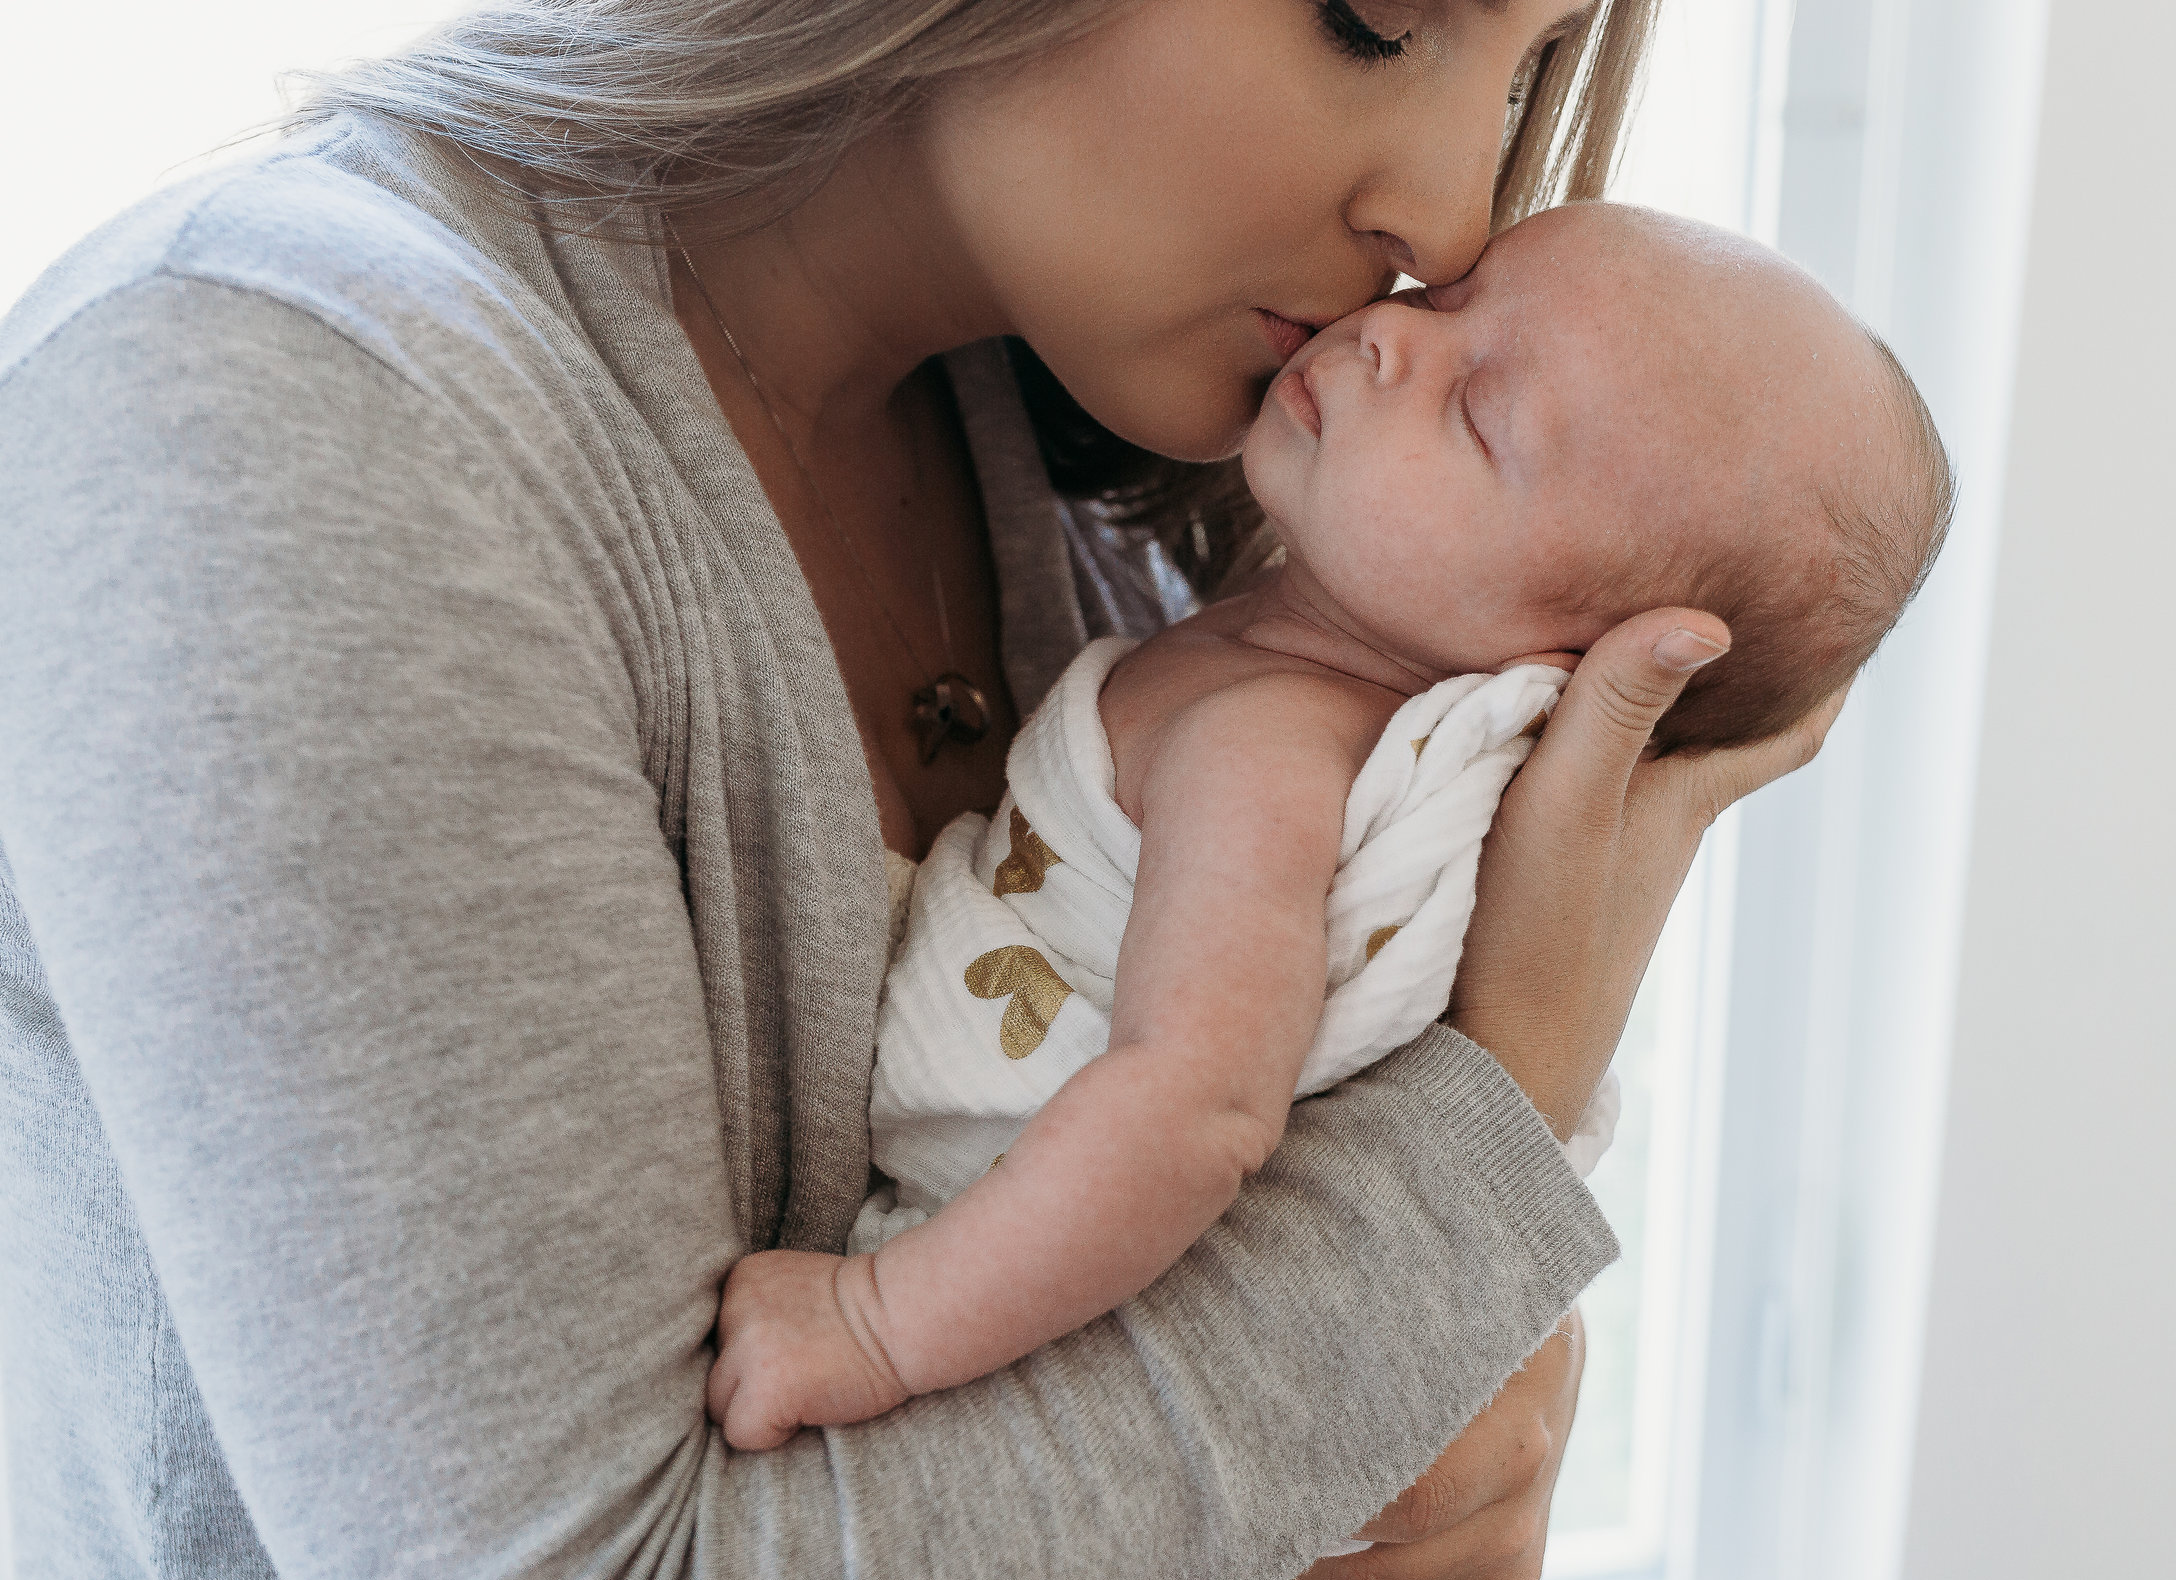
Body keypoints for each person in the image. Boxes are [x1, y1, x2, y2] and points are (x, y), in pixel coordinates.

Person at [0, 3, 1842, 1580]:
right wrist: (1485, 1139)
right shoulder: (283, 410)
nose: (1450, 218)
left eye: (1522, 73)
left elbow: (1255, 1249)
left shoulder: (1118, 484)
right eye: (1374, 18)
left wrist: (1455, 1391)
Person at [701, 201, 1949, 1456]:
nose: (1388, 345)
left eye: (1477, 413)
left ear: (1564, 659)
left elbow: (1193, 1106)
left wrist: (874, 1322)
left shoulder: (1271, 752)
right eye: (1451, 299)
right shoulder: (1247, 626)